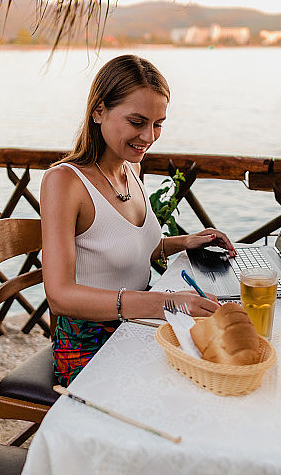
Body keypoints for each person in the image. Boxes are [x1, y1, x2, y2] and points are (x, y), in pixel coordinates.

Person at [40, 54, 236, 386]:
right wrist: (166, 304)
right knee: (194, 384)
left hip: (136, 324)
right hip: (89, 344)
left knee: (222, 359)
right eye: (137, 121)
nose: (149, 137)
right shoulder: (65, 182)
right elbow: (59, 295)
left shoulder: (132, 169)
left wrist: (183, 243)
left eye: (158, 123)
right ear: (98, 111)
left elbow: (125, 248)